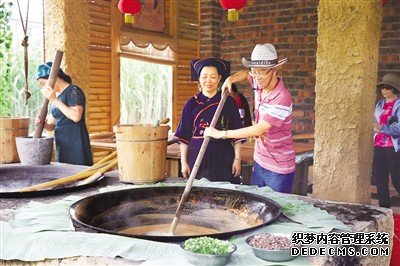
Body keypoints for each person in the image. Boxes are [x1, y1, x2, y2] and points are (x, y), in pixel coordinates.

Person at [204, 43, 295, 193]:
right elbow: (245, 74)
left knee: (277, 211)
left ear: (275, 69)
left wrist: (221, 134)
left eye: (262, 72)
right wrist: (230, 79)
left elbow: (258, 129)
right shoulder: (258, 82)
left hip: (279, 167)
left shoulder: (282, 97)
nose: (257, 77)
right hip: (259, 161)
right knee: (259, 208)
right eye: (255, 71)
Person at [174, 58, 246, 184]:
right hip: (197, 158)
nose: (208, 81)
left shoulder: (228, 102)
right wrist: (184, 162)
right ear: (199, 79)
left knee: (225, 196)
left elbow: (237, 133)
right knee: (199, 196)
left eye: (213, 77)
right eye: (204, 77)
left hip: (224, 158)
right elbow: (183, 136)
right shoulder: (191, 103)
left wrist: (237, 159)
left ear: (219, 78)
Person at [35, 62, 93, 166]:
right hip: (62, 143)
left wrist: (54, 99)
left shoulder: (73, 90)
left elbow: (76, 117)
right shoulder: (56, 98)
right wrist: (43, 124)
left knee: (79, 177)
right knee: (65, 175)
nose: (44, 88)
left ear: (54, 78)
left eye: (44, 83)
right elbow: (52, 125)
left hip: (76, 142)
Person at [372, 73, 400, 208]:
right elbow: (374, 122)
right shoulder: (379, 104)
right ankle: (384, 210)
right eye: (382, 87)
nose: (385, 90)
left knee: (397, 179)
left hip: (394, 146)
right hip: (378, 145)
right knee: (379, 179)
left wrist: (382, 128)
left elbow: (399, 129)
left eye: (388, 87)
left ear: (394, 89)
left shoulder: (399, 105)